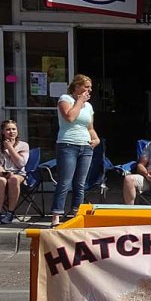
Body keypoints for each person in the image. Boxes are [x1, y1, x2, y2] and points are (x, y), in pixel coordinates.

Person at [50, 74, 100, 227]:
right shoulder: (65, 99)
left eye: (90, 87)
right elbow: (70, 117)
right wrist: (79, 101)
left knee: (80, 183)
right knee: (65, 181)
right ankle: (56, 216)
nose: (89, 90)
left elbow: (89, 127)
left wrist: (96, 139)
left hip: (86, 146)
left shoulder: (89, 106)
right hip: (68, 145)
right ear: (77, 86)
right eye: (86, 87)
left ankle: (76, 214)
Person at [0, 119, 30, 225]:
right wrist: (5, 174)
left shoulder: (24, 145)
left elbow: (21, 164)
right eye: (8, 129)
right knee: (1, 180)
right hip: (1, 174)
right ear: (3, 132)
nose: (11, 132)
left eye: (14, 129)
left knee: (14, 179)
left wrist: (10, 148)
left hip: (18, 175)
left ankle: (10, 213)